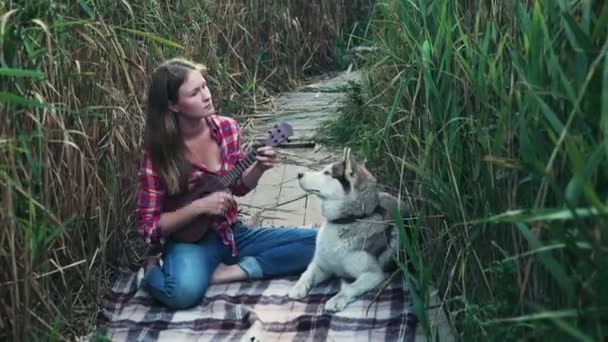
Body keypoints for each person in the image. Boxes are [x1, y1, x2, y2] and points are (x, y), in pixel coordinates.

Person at [135, 58, 317, 309]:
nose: (207, 96)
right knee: (181, 292)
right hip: (191, 243)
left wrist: (260, 167)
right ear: (173, 105)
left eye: (205, 86)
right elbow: (148, 227)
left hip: (232, 234)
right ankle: (152, 268)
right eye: (195, 92)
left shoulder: (227, 129)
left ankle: (232, 272)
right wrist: (200, 207)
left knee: (318, 244)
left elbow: (238, 187)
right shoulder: (158, 154)